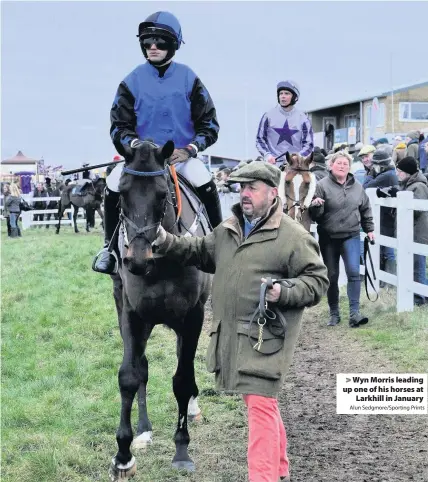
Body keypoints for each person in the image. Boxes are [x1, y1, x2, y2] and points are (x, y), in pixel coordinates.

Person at [153, 162, 329, 482]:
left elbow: (317, 282)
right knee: (261, 402)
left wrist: (284, 291)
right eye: (241, 188)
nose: (244, 194)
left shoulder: (292, 236)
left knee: (260, 405)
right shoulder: (230, 228)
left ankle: (262, 477)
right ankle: (280, 470)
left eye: (252, 188)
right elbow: (200, 251)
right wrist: (165, 241)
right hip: (234, 335)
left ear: (272, 193)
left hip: (267, 337)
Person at [92, 11, 222, 274]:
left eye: (160, 42)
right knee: (112, 183)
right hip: (142, 162)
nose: (152, 47)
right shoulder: (131, 81)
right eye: (147, 42)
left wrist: (190, 149)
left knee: (205, 181)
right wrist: (134, 145)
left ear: (173, 44)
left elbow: (210, 124)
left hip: (180, 160)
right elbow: (119, 127)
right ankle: (109, 250)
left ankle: (221, 245)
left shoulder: (190, 78)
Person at [309, 151, 375, 327]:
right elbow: (315, 216)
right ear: (331, 165)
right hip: (329, 237)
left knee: (354, 272)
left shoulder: (358, 186)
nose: (342, 166)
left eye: (345, 164)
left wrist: (370, 230)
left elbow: (365, 208)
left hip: (351, 235)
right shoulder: (321, 185)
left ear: (349, 166)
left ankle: (355, 313)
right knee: (332, 275)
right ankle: (334, 313)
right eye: (338, 163)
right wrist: (315, 207)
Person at [256, 81, 314, 167]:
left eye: (287, 93)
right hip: (272, 164)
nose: (283, 96)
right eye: (280, 93)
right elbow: (260, 140)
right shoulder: (268, 116)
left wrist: (297, 157)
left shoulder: (303, 118)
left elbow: (309, 145)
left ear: (294, 97)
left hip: (295, 165)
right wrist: (267, 155)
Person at [394, 157, 428, 305]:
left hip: (418, 233)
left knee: (418, 266)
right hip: (411, 232)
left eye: (399, 171)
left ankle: (420, 299)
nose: (397, 174)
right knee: (412, 265)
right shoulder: (409, 184)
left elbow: (416, 210)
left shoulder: (419, 186)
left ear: (407, 172)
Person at [362, 151, 398, 285]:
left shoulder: (386, 175)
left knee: (387, 250)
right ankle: (386, 281)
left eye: (374, 165)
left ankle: (389, 281)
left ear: (379, 165)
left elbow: (365, 187)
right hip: (385, 217)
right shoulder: (388, 173)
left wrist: (370, 174)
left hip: (385, 219)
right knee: (384, 248)